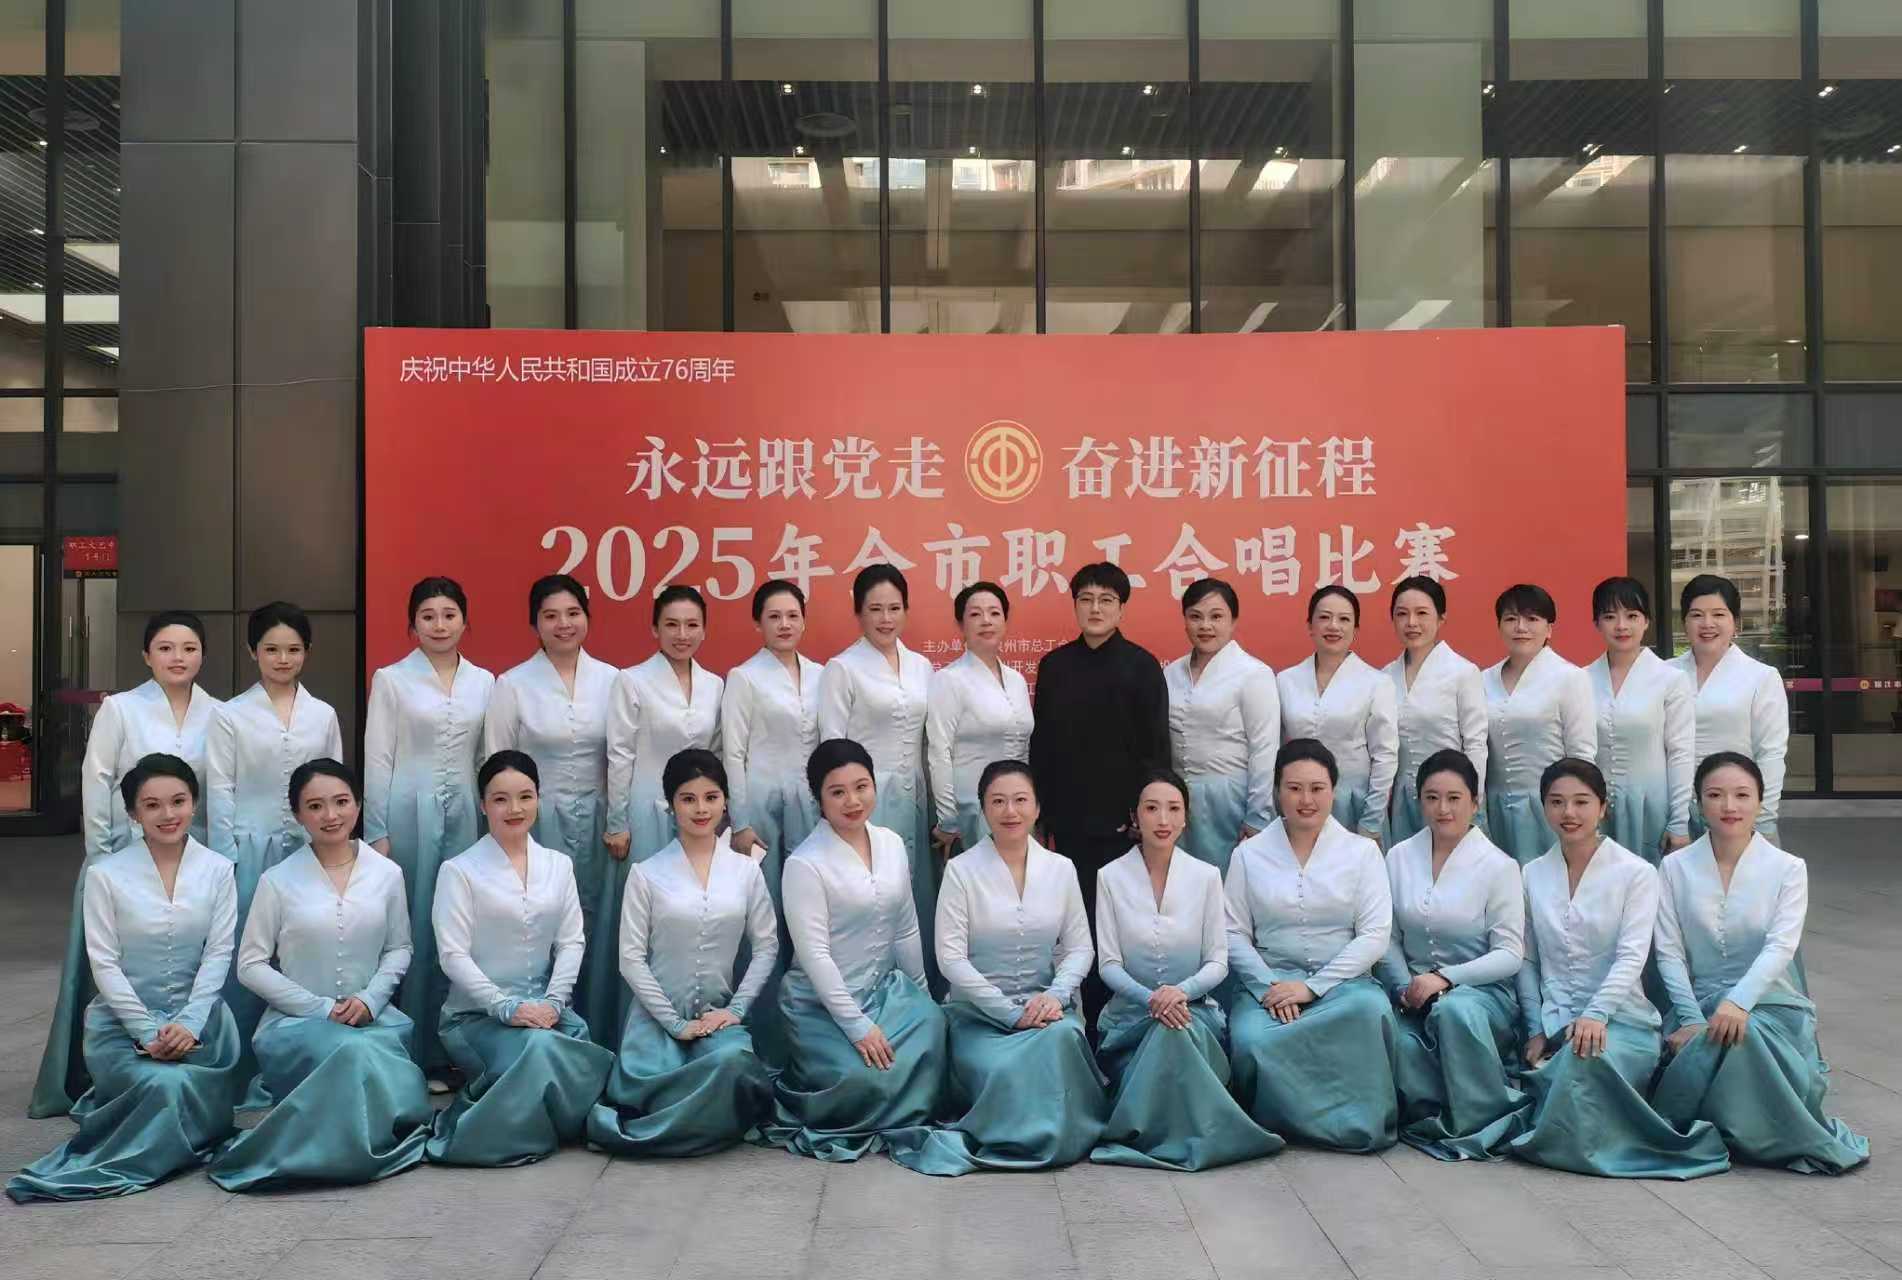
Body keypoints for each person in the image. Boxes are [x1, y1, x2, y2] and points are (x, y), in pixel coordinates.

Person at [8, 756, 240, 1201]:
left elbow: (219, 954)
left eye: (178, 801)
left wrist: (190, 1023)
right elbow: (104, 964)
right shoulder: (106, 875)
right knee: (164, 1083)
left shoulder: (218, 869)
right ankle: (163, 1146)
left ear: (194, 804)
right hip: (120, 1031)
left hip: (203, 1029)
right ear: (133, 814)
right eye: (152, 805)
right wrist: (146, 1031)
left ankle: (177, 1138)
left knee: (178, 1082)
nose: (168, 814)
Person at [32, 611, 223, 1119]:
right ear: (146, 656)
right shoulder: (121, 708)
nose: (178, 657)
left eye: (189, 648)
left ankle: (186, 1039)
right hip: (121, 853)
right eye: (165, 648)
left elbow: (222, 788)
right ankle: (104, 1062)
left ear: (203, 655)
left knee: (192, 958)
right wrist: (102, 859)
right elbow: (96, 779)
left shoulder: (219, 713)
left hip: (190, 857)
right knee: (112, 963)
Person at [208, 760, 431, 1191]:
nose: (331, 815)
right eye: (315, 806)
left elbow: (399, 947)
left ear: (358, 805)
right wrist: (320, 1008)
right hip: (296, 1027)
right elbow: (250, 964)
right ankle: (349, 1151)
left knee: (359, 1048)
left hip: (373, 1021)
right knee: (350, 1052)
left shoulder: (387, 874)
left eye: (341, 802)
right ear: (297, 814)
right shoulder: (277, 880)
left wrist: (370, 999)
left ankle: (353, 1144)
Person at [1507, 758, 1730, 1178]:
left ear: (1603, 807)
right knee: (1561, 1064)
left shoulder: (1636, 873)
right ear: (1543, 807)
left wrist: (1596, 1013)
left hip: (1622, 1022)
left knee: (1585, 1063)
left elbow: (1632, 956)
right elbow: (1528, 959)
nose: (1569, 812)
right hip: (1555, 1021)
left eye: (1581, 801)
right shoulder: (1531, 873)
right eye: (1556, 802)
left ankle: (1589, 1144)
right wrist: (1535, 1028)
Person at [1650, 753, 1868, 1174]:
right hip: (1697, 1002)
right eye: (1715, 795)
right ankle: (1744, 1131)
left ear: (1759, 802)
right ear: (1698, 803)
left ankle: (1765, 1136)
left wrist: (1738, 1003)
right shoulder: (1674, 867)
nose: (1729, 806)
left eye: (1741, 795)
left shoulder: (1788, 868)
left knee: (1744, 1034)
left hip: (1771, 1001)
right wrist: (1691, 1017)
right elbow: (1669, 952)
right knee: (1717, 1034)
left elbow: (1781, 947)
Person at [891, 761, 1107, 1175]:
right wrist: (1008, 1013)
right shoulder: (962, 871)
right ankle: (1021, 1138)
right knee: (1004, 1068)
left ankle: (1060, 1135)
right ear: (984, 809)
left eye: (1021, 800)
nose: (1010, 811)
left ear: (1037, 808)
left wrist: (1055, 996)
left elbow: (1080, 947)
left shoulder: (1061, 869)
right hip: (979, 1016)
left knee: (1063, 1039)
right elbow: (950, 958)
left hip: (1046, 1012)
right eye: (998, 801)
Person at [759, 739, 947, 1161]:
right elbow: (815, 955)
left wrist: (920, 996)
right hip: (819, 1004)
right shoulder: (805, 864)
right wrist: (857, 1026)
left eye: (861, 787)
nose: (852, 801)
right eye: (837, 792)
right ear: (819, 799)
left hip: (884, 992)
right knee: (863, 1080)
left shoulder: (891, 843)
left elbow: (905, 927)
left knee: (934, 1029)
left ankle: (903, 1101)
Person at [425, 751, 614, 1166]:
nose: (515, 809)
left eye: (525, 797)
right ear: (482, 805)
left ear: (538, 799)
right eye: (500, 799)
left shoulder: (558, 865)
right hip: (476, 1018)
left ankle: (549, 1117)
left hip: (547, 1014)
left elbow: (571, 942)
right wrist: (504, 1006)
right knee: (540, 1049)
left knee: (555, 1041)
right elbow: (452, 954)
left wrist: (555, 1001)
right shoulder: (459, 871)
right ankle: (516, 1129)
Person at [587, 749, 777, 1157]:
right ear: (670, 805)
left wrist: (735, 1011)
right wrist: (675, 1024)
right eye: (688, 798)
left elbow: (766, 946)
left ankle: (692, 1122)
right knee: (655, 1085)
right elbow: (630, 959)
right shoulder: (646, 874)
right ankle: (697, 1120)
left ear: (726, 802)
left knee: (733, 1062)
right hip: (656, 1024)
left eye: (711, 797)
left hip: (718, 1022)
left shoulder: (746, 872)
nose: (701, 809)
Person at [1090, 769, 1282, 1171]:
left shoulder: (1207, 876)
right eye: (1151, 808)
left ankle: (1155, 1132)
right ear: (1135, 816)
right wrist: (1152, 999)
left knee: (1175, 1030)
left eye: (1173, 809)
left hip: (1194, 1013)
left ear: (1186, 817)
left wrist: (1180, 993)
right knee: (1167, 1029)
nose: (1163, 819)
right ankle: (1185, 1133)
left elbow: (1218, 961)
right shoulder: (1109, 876)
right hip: (1129, 1019)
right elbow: (1108, 963)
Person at [1223, 739, 1399, 1152]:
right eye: (1294, 788)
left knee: (1369, 1011)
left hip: (1344, 986)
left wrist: (1313, 987)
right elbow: (1232, 933)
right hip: (1270, 985)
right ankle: (1278, 1127)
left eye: (1317, 788)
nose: (1306, 800)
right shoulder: (1249, 854)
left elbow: (1375, 935)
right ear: (1276, 792)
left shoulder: (1362, 853)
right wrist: (1269, 986)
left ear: (1333, 791)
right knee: (1251, 1038)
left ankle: (1355, 1125)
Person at [207, 600, 346, 1093]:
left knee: (308, 950)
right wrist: (225, 859)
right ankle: (240, 1066)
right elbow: (220, 787)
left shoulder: (322, 715)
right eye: (271, 649)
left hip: (310, 851)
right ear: (253, 652)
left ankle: (305, 1062)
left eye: (293, 649)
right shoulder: (229, 715)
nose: (283, 659)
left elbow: (334, 785)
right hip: (249, 850)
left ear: (307, 651)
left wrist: (333, 849)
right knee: (249, 955)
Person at [362, 576, 494, 1086]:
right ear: (412, 624)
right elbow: (378, 757)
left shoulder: (484, 681)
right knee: (411, 926)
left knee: (459, 926)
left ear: (466, 620)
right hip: (406, 813)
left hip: (465, 813)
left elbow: (487, 758)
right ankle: (409, 1050)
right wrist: (377, 831)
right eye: (428, 616)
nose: (439, 625)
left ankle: (455, 1046)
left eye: (449, 615)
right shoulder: (392, 679)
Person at [1029, 562, 1170, 1023]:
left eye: (1106, 600)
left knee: (1121, 926)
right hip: (1067, 825)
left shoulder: (1143, 666)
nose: (1095, 608)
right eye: (1086, 599)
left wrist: (1143, 815)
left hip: (1124, 827)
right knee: (1075, 925)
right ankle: (1080, 1022)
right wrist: (1041, 816)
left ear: (1121, 608)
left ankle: (1122, 1024)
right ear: (1074, 605)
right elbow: (1042, 746)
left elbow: (1156, 750)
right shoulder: (1054, 667)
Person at [483, 574, 618, 1038]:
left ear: (588, 617)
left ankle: (598, 1029)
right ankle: (539, 1025)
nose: (564, 624)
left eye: (573, 613)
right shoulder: (513, 684)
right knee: (541, 923)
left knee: (597, 922)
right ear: (535, 624)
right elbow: (497, 760)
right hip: (535, 823)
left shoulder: (613, 680)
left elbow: (623, 755)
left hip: (601, 822)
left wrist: (618, 819)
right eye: (551, 616)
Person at [1375, 750, 1526, 1160]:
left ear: (1475, 802)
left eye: (1454, 798)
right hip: (1409, 990)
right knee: (1378, 1022)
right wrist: (1405, 986)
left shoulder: (1499, 866)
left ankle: (1480, 1119)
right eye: (1432, 797)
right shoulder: (1398, 856)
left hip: (1481, 994)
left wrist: (1445, 979)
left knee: (1453, 1012)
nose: (1443, 809)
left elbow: (1511, 954)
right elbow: (1386, 936)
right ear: (1418, 801)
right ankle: (1424, 1114)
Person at [596, 585, 724, 1038]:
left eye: (692, 625)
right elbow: (619, 753)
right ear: (654, 629)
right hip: (645, 814)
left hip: (698, 817)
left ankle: (697, 1022)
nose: (682, 634)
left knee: (693, 919)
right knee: (645, 923)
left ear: (705, 630)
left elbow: (717, 753)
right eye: (671, 624)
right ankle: (635, 1034)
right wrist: (617, 822)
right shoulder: (631, 681)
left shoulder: (715, 684)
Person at [817, 565, 935, 982]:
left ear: (906, 610)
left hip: (915, 797)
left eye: (894, 608)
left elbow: (929, 740)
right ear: (859, 612)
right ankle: (866, 988)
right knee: (870, 893)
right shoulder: (842, 668)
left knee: (912, 894)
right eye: (875, 609)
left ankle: (915, 989)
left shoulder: (921, 666)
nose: (886, 619)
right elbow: (831, 746)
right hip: (865, 800)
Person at [1162, 578, 1278, 876]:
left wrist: (1257, 815)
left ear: (1233, 621)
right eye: (1195, 616)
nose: (1205, 626)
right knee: (1183, 883)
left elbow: (1264, 749)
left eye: (1216, 616)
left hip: (1229, 800)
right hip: (1177, 802)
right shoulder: (1171, 673)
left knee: (1230, 883)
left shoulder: (1254, 674)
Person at [723, 579, 824, 905]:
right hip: (760, 803)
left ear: (804, 621)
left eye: (793, 616)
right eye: (774, 617)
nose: (785, 624)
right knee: (765, 895)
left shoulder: (821, 674)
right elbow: (733, 753)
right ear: (758, 623)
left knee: (809, 891)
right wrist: (740, 822)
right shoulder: (744, 676)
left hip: (810, 803)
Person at [1669, 574, 1790, 842]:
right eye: (1696, 615)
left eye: (1719, 614)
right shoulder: (1664, 673)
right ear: (1684, 623)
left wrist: (1762, 819)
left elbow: (1770, 753)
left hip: (1737, 814)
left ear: (1735, 622)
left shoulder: (1761, 677)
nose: (1707, 624)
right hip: (1675, 815)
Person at [1482, 584, 1595, 865]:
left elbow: (1582, 752)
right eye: (1511, 619)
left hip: (1550, 808)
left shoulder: (1570, 677)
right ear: (1499, 626)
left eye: (1532, 619)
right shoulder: (1483, 679)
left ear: (1549, 629)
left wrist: (1575, 807)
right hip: (1494, 807)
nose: (1521, 627)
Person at [1277, 586, 1398, 845]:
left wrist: (1372, 818)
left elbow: (1385, 755)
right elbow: (1274, 749)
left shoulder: (1377, 683)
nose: (1333, 626)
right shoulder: (1285, 680)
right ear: (1310, 625)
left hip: (1353, 805)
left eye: (1344, 619)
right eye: (1324, 617)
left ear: (1355, 630)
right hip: (1300, 804)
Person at [1586, 576, 1694, 865]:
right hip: (1595, 812)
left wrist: (1679, 821)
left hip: (1650, 808)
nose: (1621, 626)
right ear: (1596, 623)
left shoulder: (1671, 680)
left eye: (1632, 616)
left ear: (1646, 621)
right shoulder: (1581, 679)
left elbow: (1681, 752)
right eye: (1610, 617)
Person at [926, 582, 1034, 855]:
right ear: (961, 624)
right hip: (971, 811)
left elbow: (1024, 748)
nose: (986, 621)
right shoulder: (949, 680)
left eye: (994, 613)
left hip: (1017, 811)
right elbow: (939, 751)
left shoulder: (1017, 680)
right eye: (975, 614)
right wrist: (948, 818)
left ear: (1005, 621)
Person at [1383, 577, 1488, 846]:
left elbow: (1476, 743)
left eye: (1422, 613)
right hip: (1404, 799)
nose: (1411, 623)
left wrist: (1473, 800)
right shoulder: (1384, 677)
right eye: (1402, 614)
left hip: (1450, 797)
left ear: (1441, 618)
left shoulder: (1463, 673)